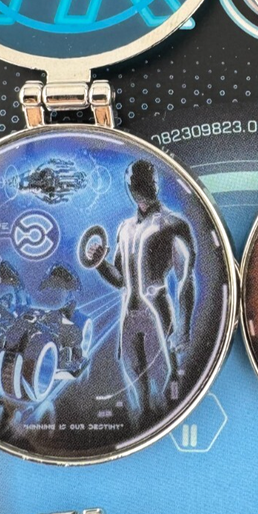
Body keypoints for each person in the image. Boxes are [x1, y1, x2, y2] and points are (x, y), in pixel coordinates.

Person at [79, 159, 196, 421]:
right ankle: (144, 425)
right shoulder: (125, 229)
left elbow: (185, 278)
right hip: (130, 317)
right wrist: (100, 263)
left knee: (163, 385)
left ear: (155, 183)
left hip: (156, 312)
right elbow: (121, 279)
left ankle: (161, 425)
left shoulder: (172, 224)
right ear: (130, 186)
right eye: (138, 181)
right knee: (136, 389)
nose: (144, 185)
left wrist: (184, 328)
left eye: (148, 179)